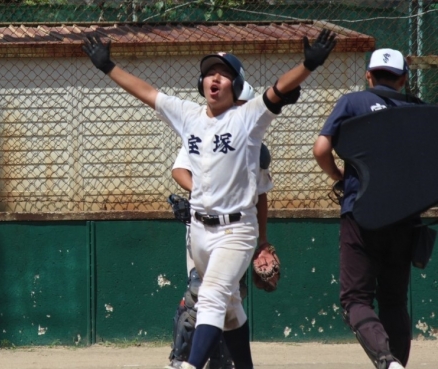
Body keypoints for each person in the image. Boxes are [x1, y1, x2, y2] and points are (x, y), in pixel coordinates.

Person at [83, 28, 336, 369]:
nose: (215, 78)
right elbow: (147, 92)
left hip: (236, 231)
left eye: (224, 74)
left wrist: (308, 65)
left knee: (212, 296)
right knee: (229, 308)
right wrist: (107, 67)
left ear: (236, 85)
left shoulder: (249, 117)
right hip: (199, 232)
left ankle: (190, 366)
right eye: (209, 73)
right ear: (201, 83)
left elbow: (278, 90)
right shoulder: (188, 114)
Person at [313, 48, 417, 369]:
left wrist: (339, 176)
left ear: (368, 75)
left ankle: (387, 361)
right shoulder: (418, 109)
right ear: (403, 79)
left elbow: (321, 148)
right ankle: (396, 363)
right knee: (394, 301)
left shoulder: (352, 102)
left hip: (360, 210)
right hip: (404, 216)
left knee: (356, 299)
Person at [167, 82, 274, 369]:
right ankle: (182, 360)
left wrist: (263, 242)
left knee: (222, 297)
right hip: (202, 229)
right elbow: (179, 169)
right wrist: (204, 193)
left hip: (235, 231)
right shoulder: (202, 131)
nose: (239, 110)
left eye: (244, 105)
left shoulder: (254, 147)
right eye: (238, 103)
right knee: (202, 296)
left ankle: (209, 363)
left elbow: (261, 195)